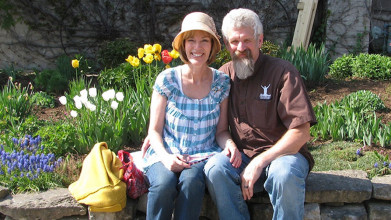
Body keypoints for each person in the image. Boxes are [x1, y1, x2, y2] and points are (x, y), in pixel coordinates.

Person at [203, 8, 317, 220]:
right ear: (227, 44)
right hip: (243, 158)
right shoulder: (223, 75)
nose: (241, 47)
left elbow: (301, 132)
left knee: (283, 173)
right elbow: (219, 130)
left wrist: (260, 161)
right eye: (234, 42)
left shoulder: (282, 72)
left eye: (247, 40)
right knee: (215, 167)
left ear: (260, 40)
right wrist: (229, 145)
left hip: (285, 156)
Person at [142, 11, 241, 220]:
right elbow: (154, 130)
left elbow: (221, 131)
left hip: (201, 156)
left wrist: (230, 143)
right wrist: (167, 158)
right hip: (166, 152)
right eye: (191, 41)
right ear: (183, 46)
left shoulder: (222, 83)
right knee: (163, 184)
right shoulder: (167, 79)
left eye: (204, 40)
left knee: (191, 183)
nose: (197, 47)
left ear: (213, 46)